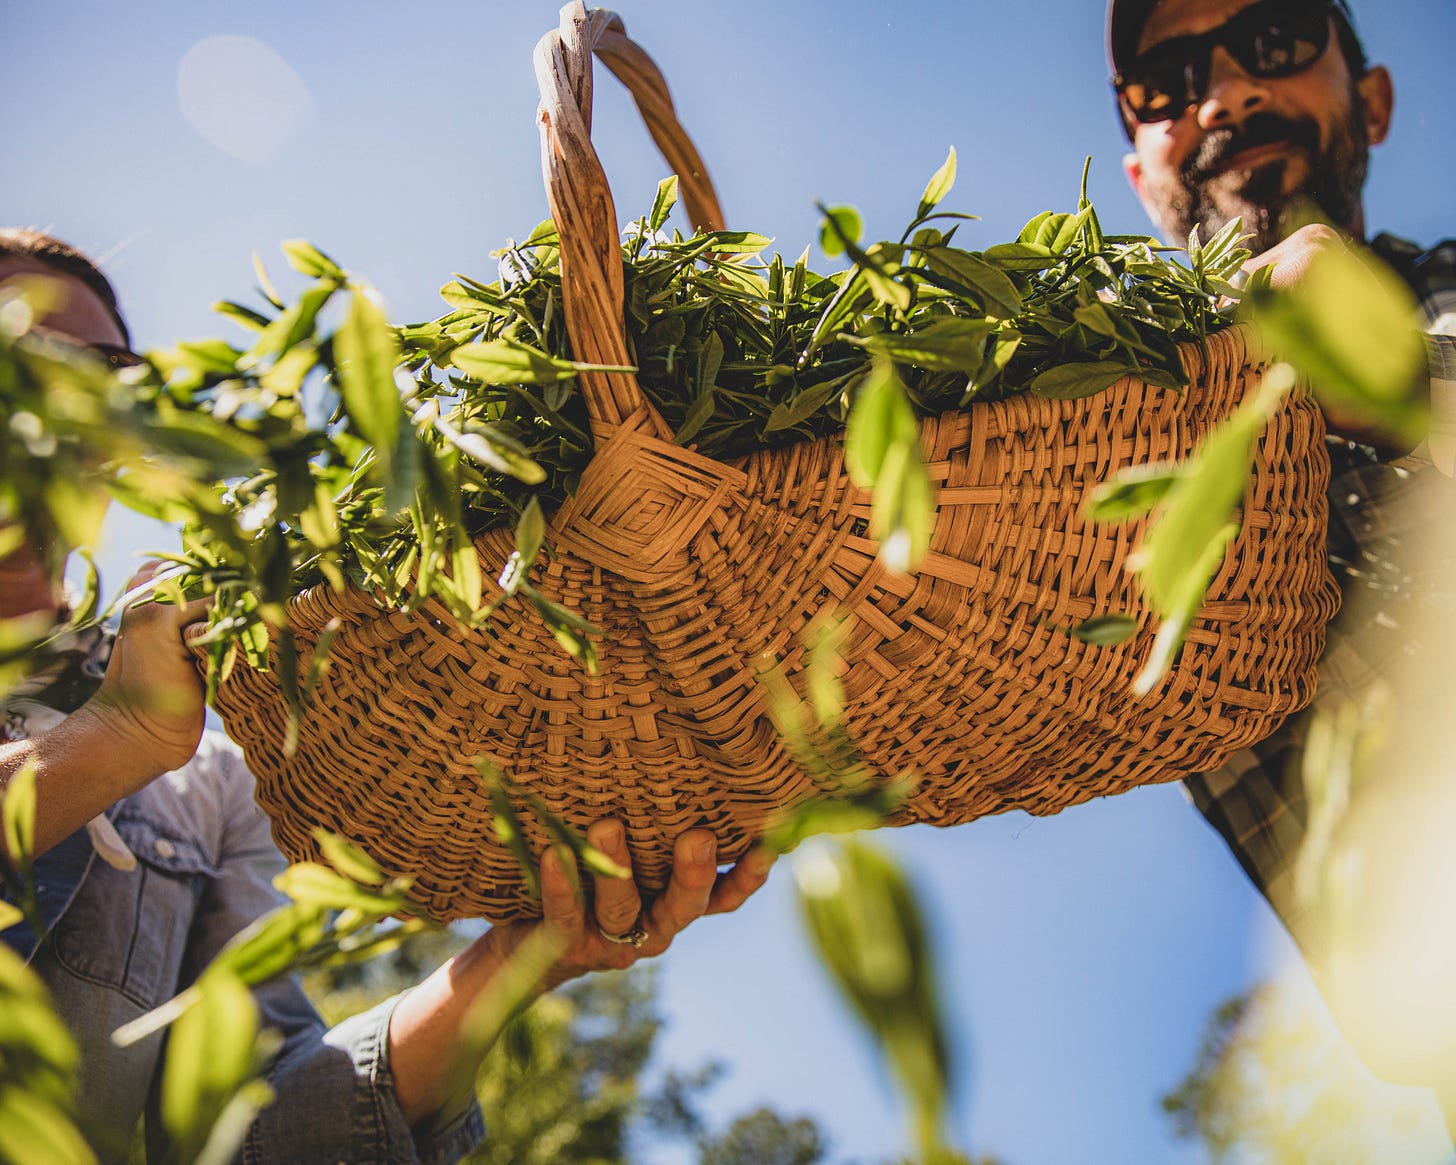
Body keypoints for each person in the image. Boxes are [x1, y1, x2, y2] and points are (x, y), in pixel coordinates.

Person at [0, 228, 776, 1164]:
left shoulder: (203, 783)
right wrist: (109, 740)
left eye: (114, 372)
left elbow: (253, 1129)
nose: (76, 393)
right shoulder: (140, 731)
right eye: (27, 348)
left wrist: (518, 957)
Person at [1107, 0, 1456, 1117]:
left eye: (1274, 39)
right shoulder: (1085, 446)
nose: (1224, 95)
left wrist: (1396, 380)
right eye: (1166, 81)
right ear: (1137, 171)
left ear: (1374, 99)